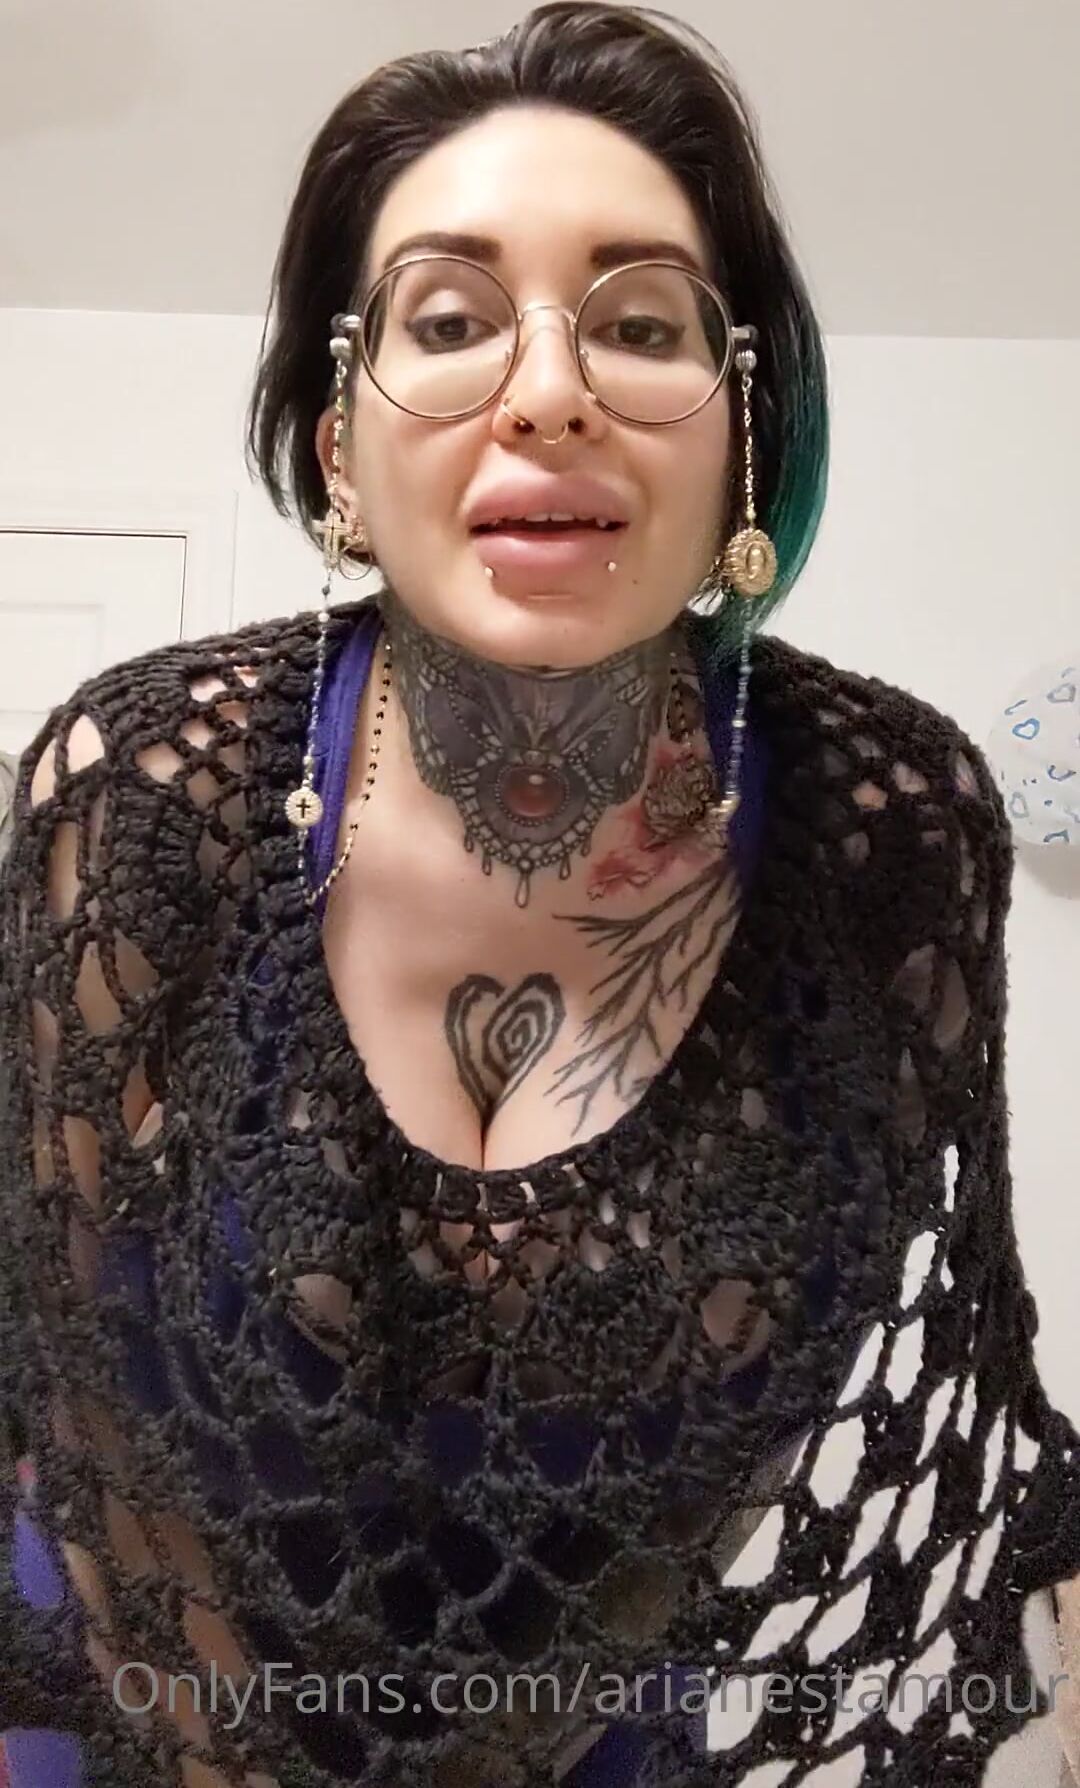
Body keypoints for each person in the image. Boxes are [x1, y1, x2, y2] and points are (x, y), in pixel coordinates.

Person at [1, 5, 1078, 1784]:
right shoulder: (135, 798)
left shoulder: (893, 836)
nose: (550, 388)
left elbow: (773, 1427)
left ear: (740, 439)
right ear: (338, 451)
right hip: (141, 1666)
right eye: (447, 320)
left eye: (643, 325)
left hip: (581, 1711)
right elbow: (77, 1373)